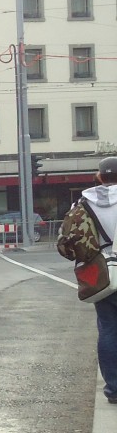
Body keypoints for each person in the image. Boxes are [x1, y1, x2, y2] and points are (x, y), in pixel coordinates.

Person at [80, 156, 117, 404]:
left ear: (100, 176)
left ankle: (114, 389)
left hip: (102, 274)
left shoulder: (84, 202)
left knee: (108, 328)